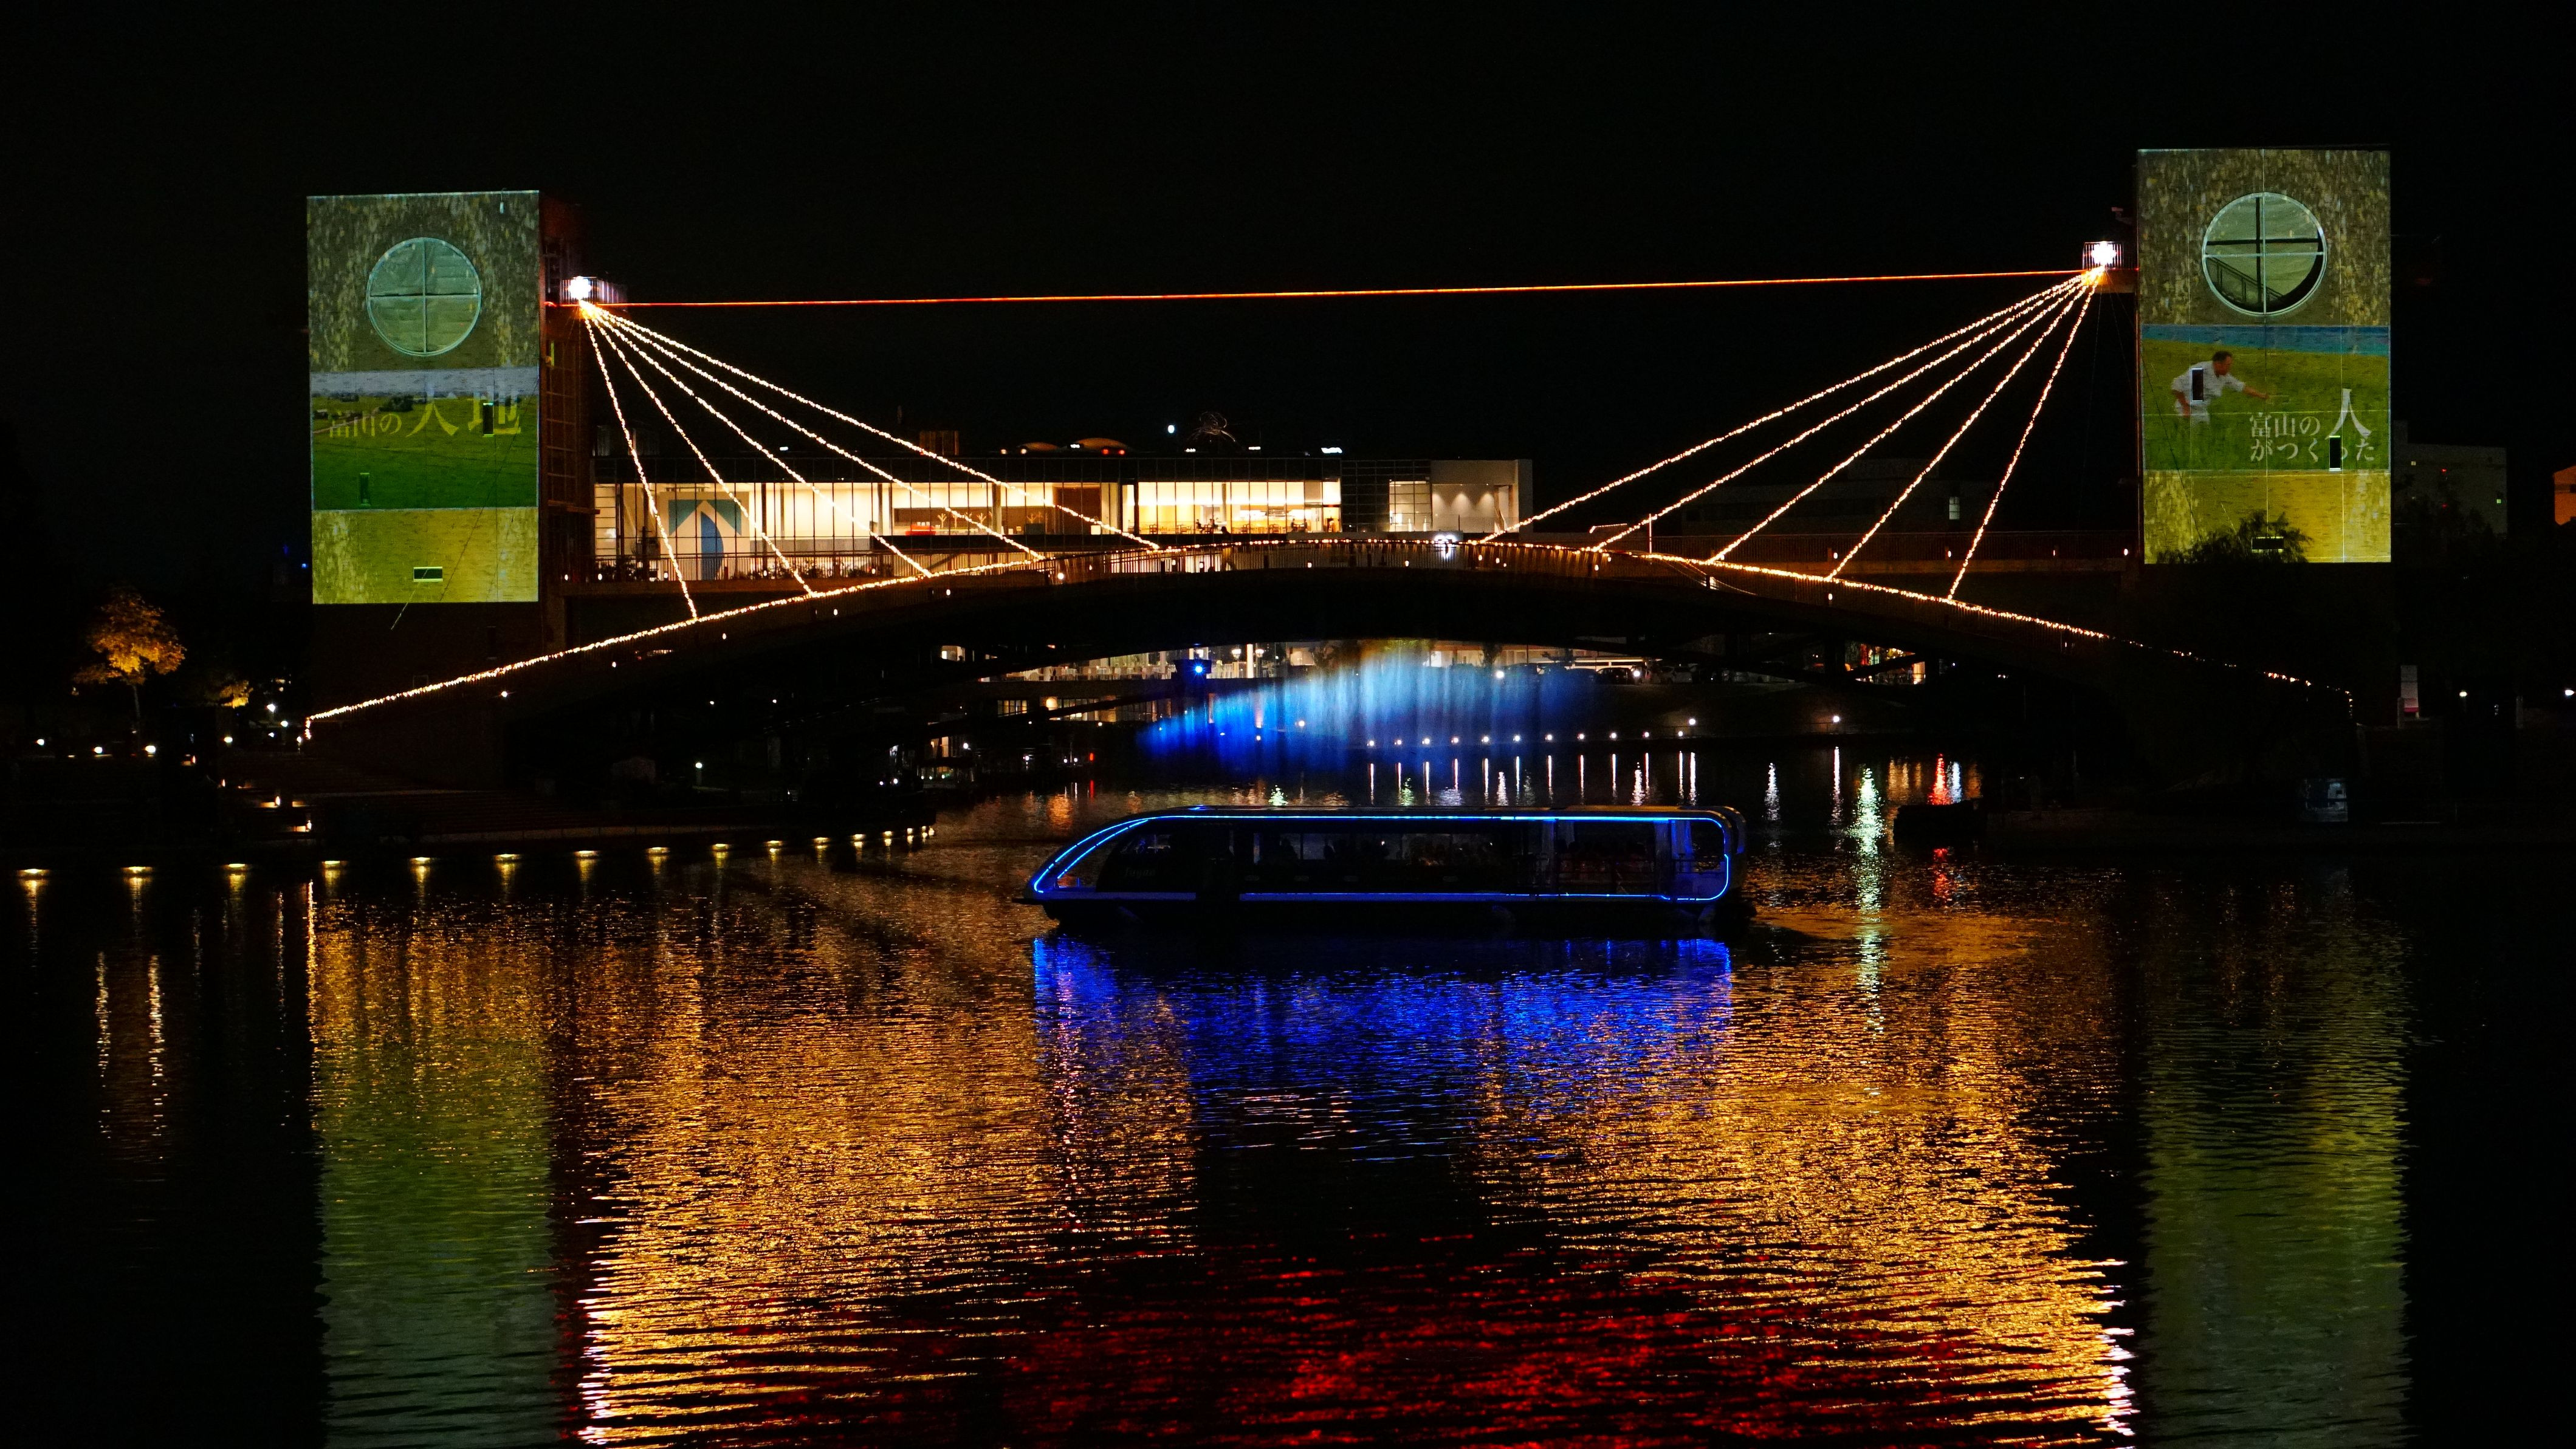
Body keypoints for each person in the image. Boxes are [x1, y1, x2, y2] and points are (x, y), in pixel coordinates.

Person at [2171, 349, 2270, 421]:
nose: (2230, 368)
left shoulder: (2224, 376)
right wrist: (2185, 407)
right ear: (2218, 364)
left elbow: (2241, 387)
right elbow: (2177, 385)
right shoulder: (2200, 371)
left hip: (2202, 411)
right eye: (2228, 365)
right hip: (2185, 410)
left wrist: (2261, 395)